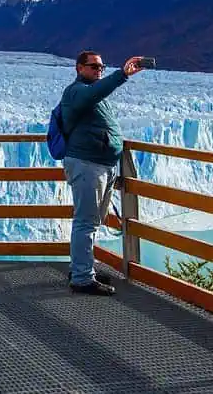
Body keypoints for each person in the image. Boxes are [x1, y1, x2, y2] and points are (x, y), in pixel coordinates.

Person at [61, 51, 147, 295]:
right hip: (87, 165)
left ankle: (82, 268)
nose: (99, 70)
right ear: (79, 68)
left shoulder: (91, 93)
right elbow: (94, 93)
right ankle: (81, 278)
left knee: (93, 221)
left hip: (102, 165)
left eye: (102, 67)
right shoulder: (76, 91)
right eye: (94, 67)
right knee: (86, 221)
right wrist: (122, 74)